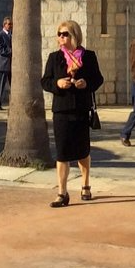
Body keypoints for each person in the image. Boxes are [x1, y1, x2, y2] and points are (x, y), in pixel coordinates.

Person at [40, 19, 103, 208]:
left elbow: (98, 79)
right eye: (59, 34)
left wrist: (86, 84)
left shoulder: (88, 56)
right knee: (62, 152)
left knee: (83, 150)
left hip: (81, 109)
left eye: (65, 33)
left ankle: (85, 185)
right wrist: (57, 84)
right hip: (61, 109)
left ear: (74, 35)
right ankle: (62, 192)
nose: (61, 37)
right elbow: (45, 81)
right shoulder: (54, 57)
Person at [0, 16, 13, 110]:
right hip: (2, 65)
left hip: (11, 65)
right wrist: (11, 50)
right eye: (9, 24)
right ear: (4, 25)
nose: (10, 26)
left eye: (11, 24)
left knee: (13, 86)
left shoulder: (12, 35)